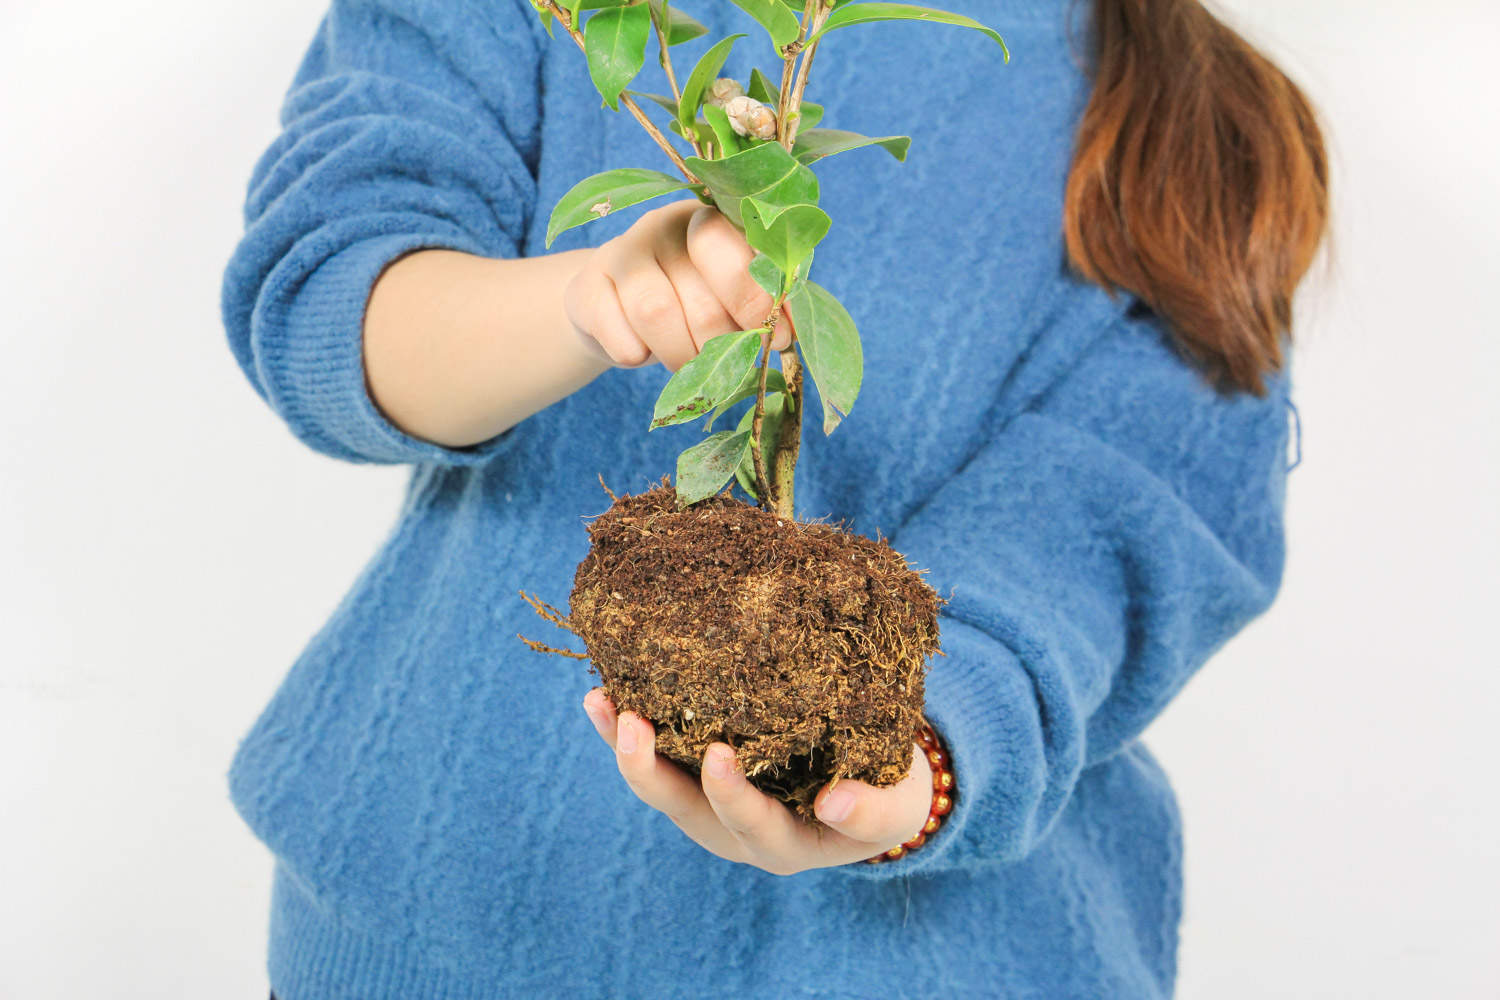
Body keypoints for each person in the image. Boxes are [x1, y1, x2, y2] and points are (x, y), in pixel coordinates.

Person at [223, 0, 1328, 997]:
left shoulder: (1199, 134)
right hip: (435, 932)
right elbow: (329, 297)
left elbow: (1105, 531)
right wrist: (591, 300)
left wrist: (919, 760)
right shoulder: (557, 19)